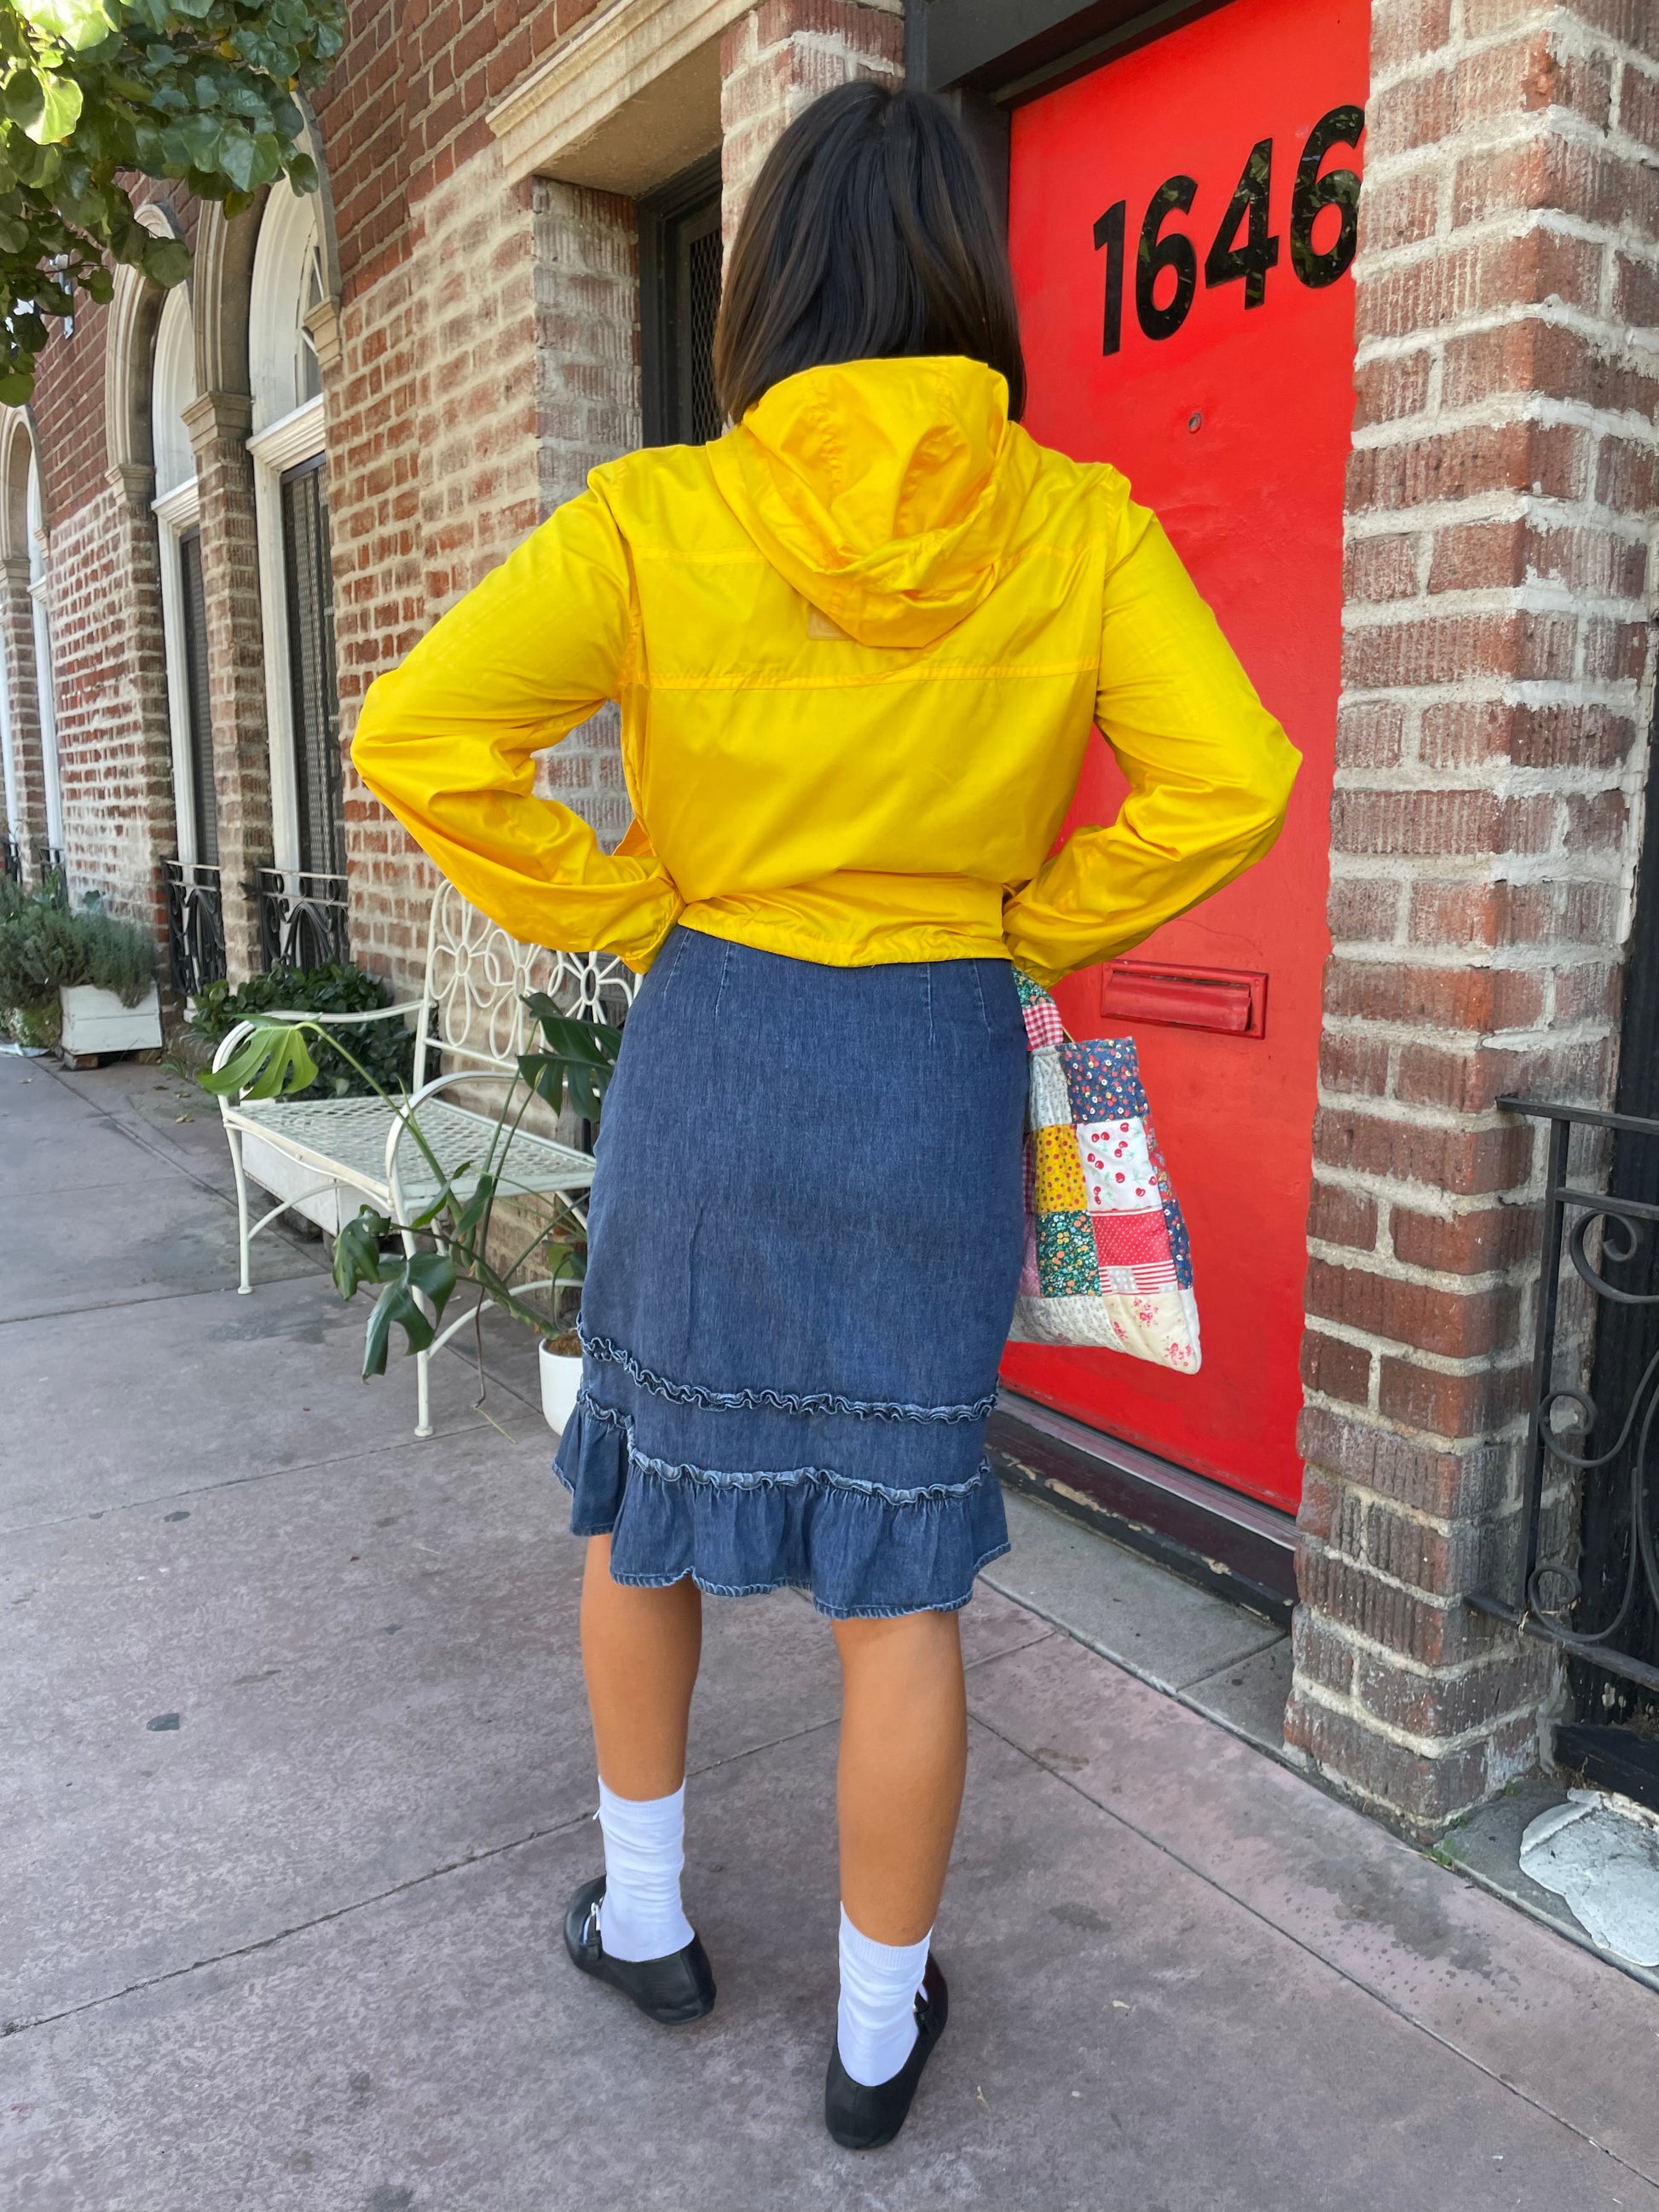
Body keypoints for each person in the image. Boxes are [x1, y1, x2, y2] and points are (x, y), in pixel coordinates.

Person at [350, 80, 1298, 2151]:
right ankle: (876, 2034)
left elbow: (415, 732)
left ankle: (653, 1916)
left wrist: (630, 905)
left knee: (647, 1489)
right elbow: (1235, 777)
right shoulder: (1077, 524)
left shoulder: (655, 516)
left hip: (717, 1044)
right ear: (972, 273)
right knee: (903, 1569)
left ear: (767, 279)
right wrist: (1029, 920)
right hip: (933, 1061)